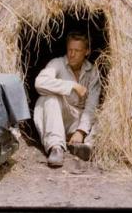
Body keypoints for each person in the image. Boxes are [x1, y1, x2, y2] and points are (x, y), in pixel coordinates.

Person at [33, 31, 101, 167]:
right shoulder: (57, 64)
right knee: (49, 99)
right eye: (70, 50)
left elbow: (92, 104)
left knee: (105, 112)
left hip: (79, 120)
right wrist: (72, 85)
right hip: (57, 119)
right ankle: (56, 147)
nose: (72, 54)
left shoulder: (93, 72)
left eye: (77, 50)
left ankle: (85, 146)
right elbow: (39, 83)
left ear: (86, 52)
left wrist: (81, 131)